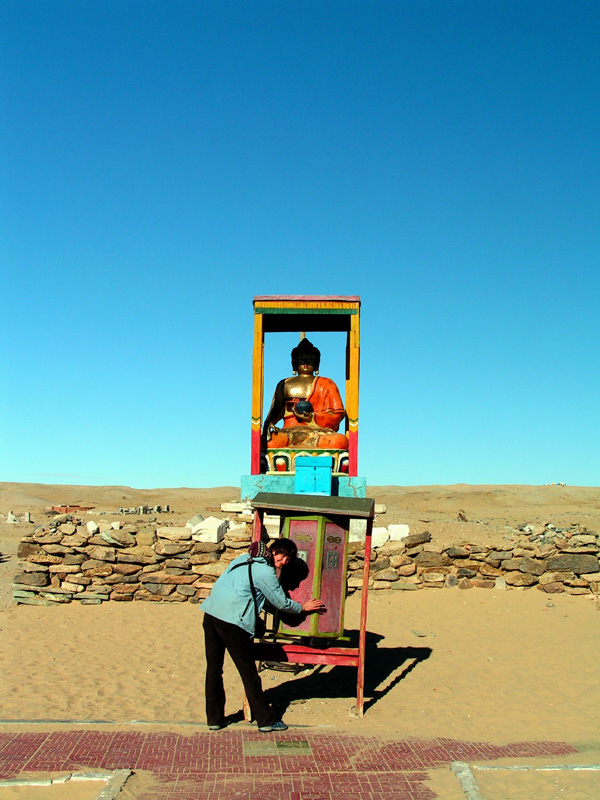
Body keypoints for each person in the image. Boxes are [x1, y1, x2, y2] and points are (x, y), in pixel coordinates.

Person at [201, 538, 325, 732]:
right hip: (233, 622)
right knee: (249, 672)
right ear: (272, 551)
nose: (283, 561)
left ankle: (214, 719)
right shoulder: (266, 572)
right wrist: (302, 607)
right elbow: (281, 602)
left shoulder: (240, 560)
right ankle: (265, 721)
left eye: (287, 559)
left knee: (214, 669)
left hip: (211, 615)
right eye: (281, 555)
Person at [262, 338, 349, 450]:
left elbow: (338, 414)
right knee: (267, 442)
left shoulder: (327, 384)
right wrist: (268, 423)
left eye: (310, 359)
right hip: (289, 433)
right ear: (294, 362)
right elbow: (276, 410)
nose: (305, 363)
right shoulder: (284, 384)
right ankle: (304, 448)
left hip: (318, 433)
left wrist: (311, 417)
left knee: (339, 441)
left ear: (317, 364)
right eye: (301, 359)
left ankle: (301, 448)